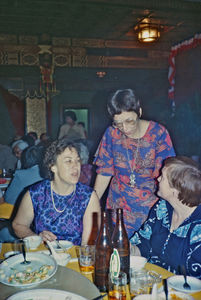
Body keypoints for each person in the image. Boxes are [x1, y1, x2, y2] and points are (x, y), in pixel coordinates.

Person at [93, 88, 175, 237]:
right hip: (117, 208)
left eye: (129, 121)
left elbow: (168, 176)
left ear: (140, 112)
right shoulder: (111, 133)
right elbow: (104, 172)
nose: (125, 128)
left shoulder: (158, 134)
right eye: (118, 123)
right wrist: (92, 203)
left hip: (150, 210)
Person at [12, 138, 101, 245]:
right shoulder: (36, 193)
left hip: (75, 257)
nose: (76, 166)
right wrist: (35, 237)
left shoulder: (88, 196)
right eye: (68, 161)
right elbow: (18, 225)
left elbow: (88, 244)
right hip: (44, 256)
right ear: (52, 166)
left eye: (78, 160)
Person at [130, 156, 201, 278]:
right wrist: (127, 248)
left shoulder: (198, 227)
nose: (157, 178)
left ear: (176, 190)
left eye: (162, 177)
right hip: (150, 281)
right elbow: (143, 244)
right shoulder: (161, 208)